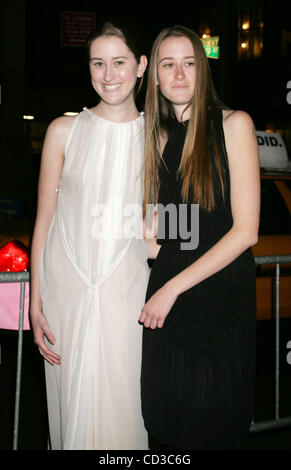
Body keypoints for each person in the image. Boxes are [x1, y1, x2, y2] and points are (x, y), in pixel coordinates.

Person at [139, 25, 260, 450]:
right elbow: (157, 229)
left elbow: (245, 232)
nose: (179, 74)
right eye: (168, 64)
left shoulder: (234, 124)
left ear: (203, 70)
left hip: (216, 300)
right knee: (165, 425)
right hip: (169, 299)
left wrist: (171, 287)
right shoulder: (156, 136)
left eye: (189, 63)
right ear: (153, 75)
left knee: (213, 422)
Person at [29, 21, 149, 450]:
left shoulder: (160, 137)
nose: (109, 73)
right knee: (69, 409)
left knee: (125, 410)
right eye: (98, 63)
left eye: (119, 62)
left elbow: (162, 223)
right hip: (67, 295)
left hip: (128, 295)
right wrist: (35, 304)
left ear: (141, 66)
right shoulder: (64, 131)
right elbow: (44, 221)